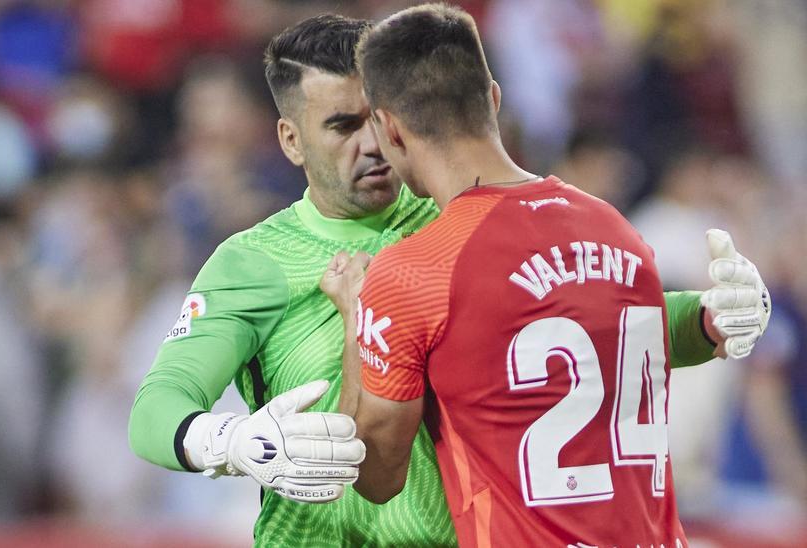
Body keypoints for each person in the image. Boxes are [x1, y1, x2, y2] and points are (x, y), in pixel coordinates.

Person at [128, 14, 747, 547]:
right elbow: (157, 407)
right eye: (343, 126)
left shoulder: (460, 224)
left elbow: (588, 332)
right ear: (291, 140)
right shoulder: (255, 262)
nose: (372, 144)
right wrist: (229, 441)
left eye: (377, 119)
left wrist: (709, 317)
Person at [330, 4, 771, 546]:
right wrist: (709, 320)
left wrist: (358, 318)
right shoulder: (614, 228)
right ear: (493, 97)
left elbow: (375, 475)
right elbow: (619, 335)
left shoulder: (416, 270)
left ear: (389, 129)